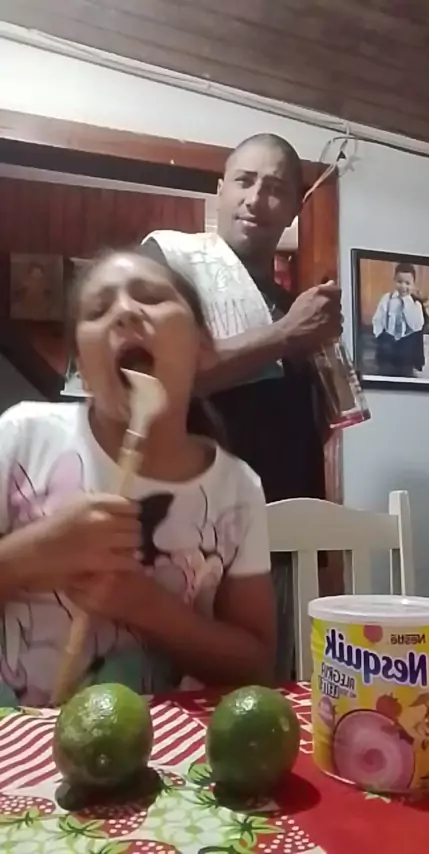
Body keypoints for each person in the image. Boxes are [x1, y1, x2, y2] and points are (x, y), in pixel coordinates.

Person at [0, 251, 275, 706]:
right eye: (98, 309)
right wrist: (37, 551)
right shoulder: (22, 436)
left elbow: (256, 667)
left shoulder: (237, 490)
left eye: (150, 297)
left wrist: (147, 607)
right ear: (81, 368)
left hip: (163, 743)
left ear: (203, 348)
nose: (125, 311)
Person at [140, 133, 342, 679]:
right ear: (220, 189)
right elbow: (158, 379)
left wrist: (328, 380)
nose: (256, 199)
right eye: (245, 182)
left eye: (275, 188)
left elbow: (298, 424)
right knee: (178, 701)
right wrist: (283, 335)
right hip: (189, 535)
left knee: (267, 699)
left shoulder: (290, 303)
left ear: (294, 208)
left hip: (281, 543)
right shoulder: (171, 260)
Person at [372, 263, 425, 378]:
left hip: (406, 349)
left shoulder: (416, 304)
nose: (403, 286)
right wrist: (380, 335)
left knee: (406, 376)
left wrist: (406, 301)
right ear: (394, 281)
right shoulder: (387, 299)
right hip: (388, 346)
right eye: (399, 282)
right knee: (385, 374)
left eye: (407, 283)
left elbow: (416, 325)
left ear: (413, 285)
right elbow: (378, 319)